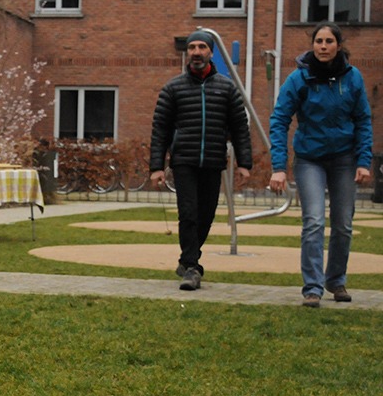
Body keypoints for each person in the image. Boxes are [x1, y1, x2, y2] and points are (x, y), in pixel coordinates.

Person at [268, 22, 373, 308]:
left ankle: (336, 280)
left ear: (338, 45)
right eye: (318, 41)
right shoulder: (299, 79)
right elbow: (279, 120)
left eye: (329, 41)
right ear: (312, 44)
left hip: (344, 159)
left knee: (343, 224)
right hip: (309, 159)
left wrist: (363, 161)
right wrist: (278, 167)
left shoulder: (353, 78)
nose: (323, 46)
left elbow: (363, 120)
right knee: (314, 221)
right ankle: (312, 288)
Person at [149, 30, 252, 291]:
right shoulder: (173, 88)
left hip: (214, 161)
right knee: (188, 213)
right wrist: (157, 167)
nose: (196, 52)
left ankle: (187, 261)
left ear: (210, 52)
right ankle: (192, 266)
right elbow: (160, 129)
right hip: (184, 160)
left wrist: (244, 163)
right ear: (187, 52)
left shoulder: (227, 88)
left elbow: (240, 127)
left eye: (201, 47)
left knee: (206, 215)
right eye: (192, 47)